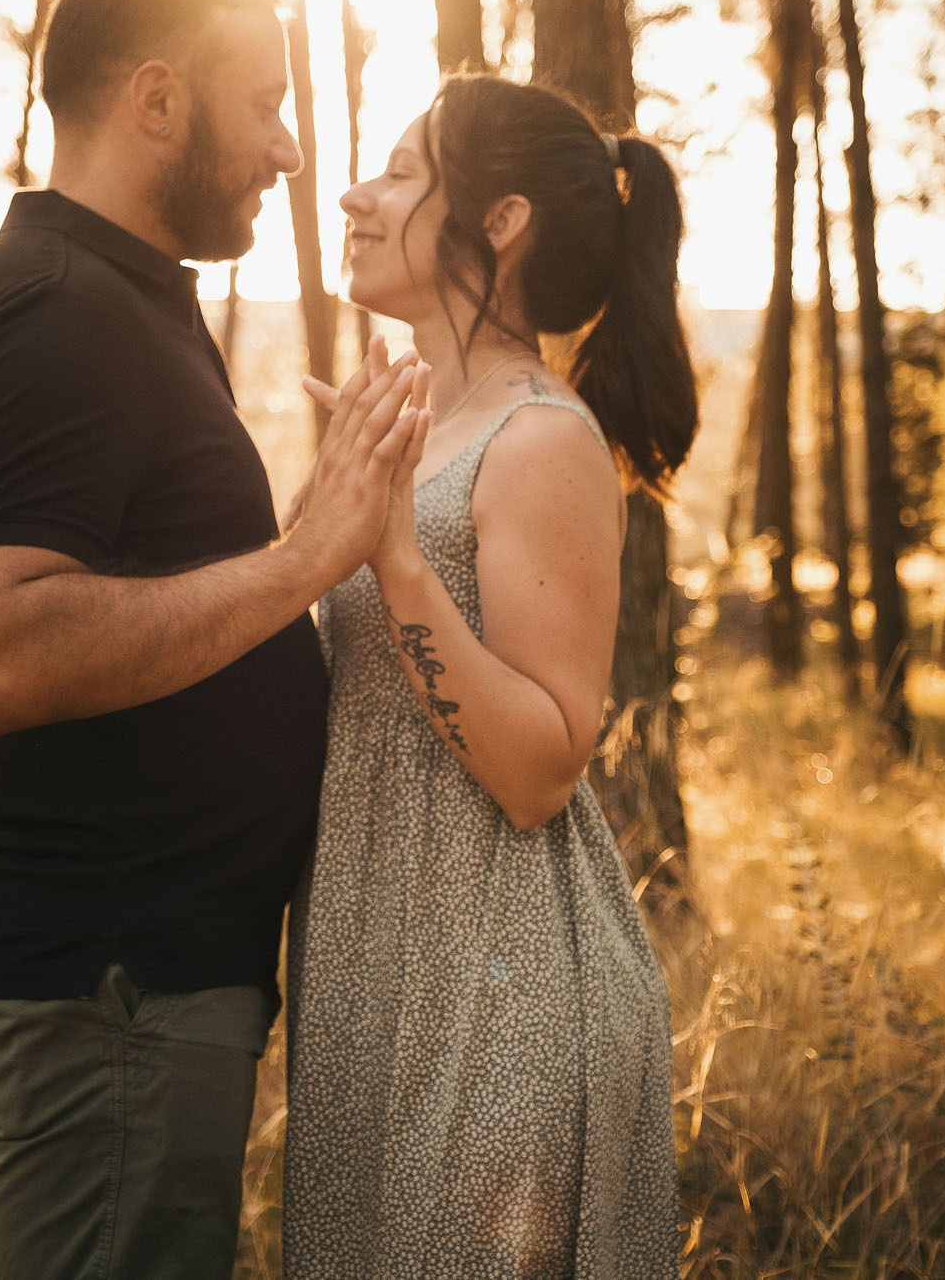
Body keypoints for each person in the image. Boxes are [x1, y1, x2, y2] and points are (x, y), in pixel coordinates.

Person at [0, 0, 426, 1279]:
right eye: (262, 101)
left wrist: (321, 526)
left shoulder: (115, 297)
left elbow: (141, 583)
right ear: (155, 99)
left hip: (138, 970)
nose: (291, 149)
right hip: (108, 971)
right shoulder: (57, 311)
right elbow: (4, 649)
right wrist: (304, 557)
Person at [284, 75, 699, 1278]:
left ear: (500, 221)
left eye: (403, 172)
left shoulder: (542, 440)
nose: (356, 194)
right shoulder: (417, 425)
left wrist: (393, 557)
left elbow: (539, 768)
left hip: (499, 995)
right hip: (377, 972)